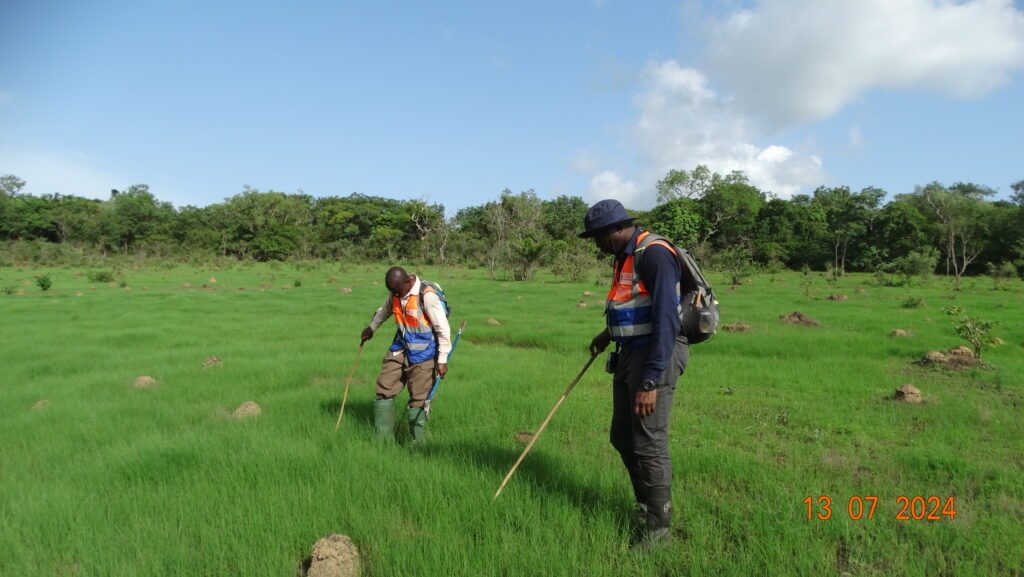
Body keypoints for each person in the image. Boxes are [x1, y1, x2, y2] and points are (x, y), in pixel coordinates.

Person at [580, 199, 689, 547]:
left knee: (648, 444)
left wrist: (650, 380)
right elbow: (632, 306)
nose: (597, 244)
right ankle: (645, 508)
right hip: (629, 353)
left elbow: (666, 320)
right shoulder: (624, 256)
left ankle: (658, 530)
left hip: (655, 358)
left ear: (616, 229)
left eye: (598, 237)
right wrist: (606, 335)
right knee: (623, 438)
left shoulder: (653, 253)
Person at [360, 266, 451, 443]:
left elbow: (443, 329)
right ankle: (384, 442)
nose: (396, 295)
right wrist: (371, 328)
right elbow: (384, 311)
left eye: (398, 291)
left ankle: (419, 445)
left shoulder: (427, 296)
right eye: (393, 292)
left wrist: (442, 360)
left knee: (419, 397)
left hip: (424, 352)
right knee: (384, 386)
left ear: (408, 282)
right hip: (401, 346)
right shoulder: (395, 293)